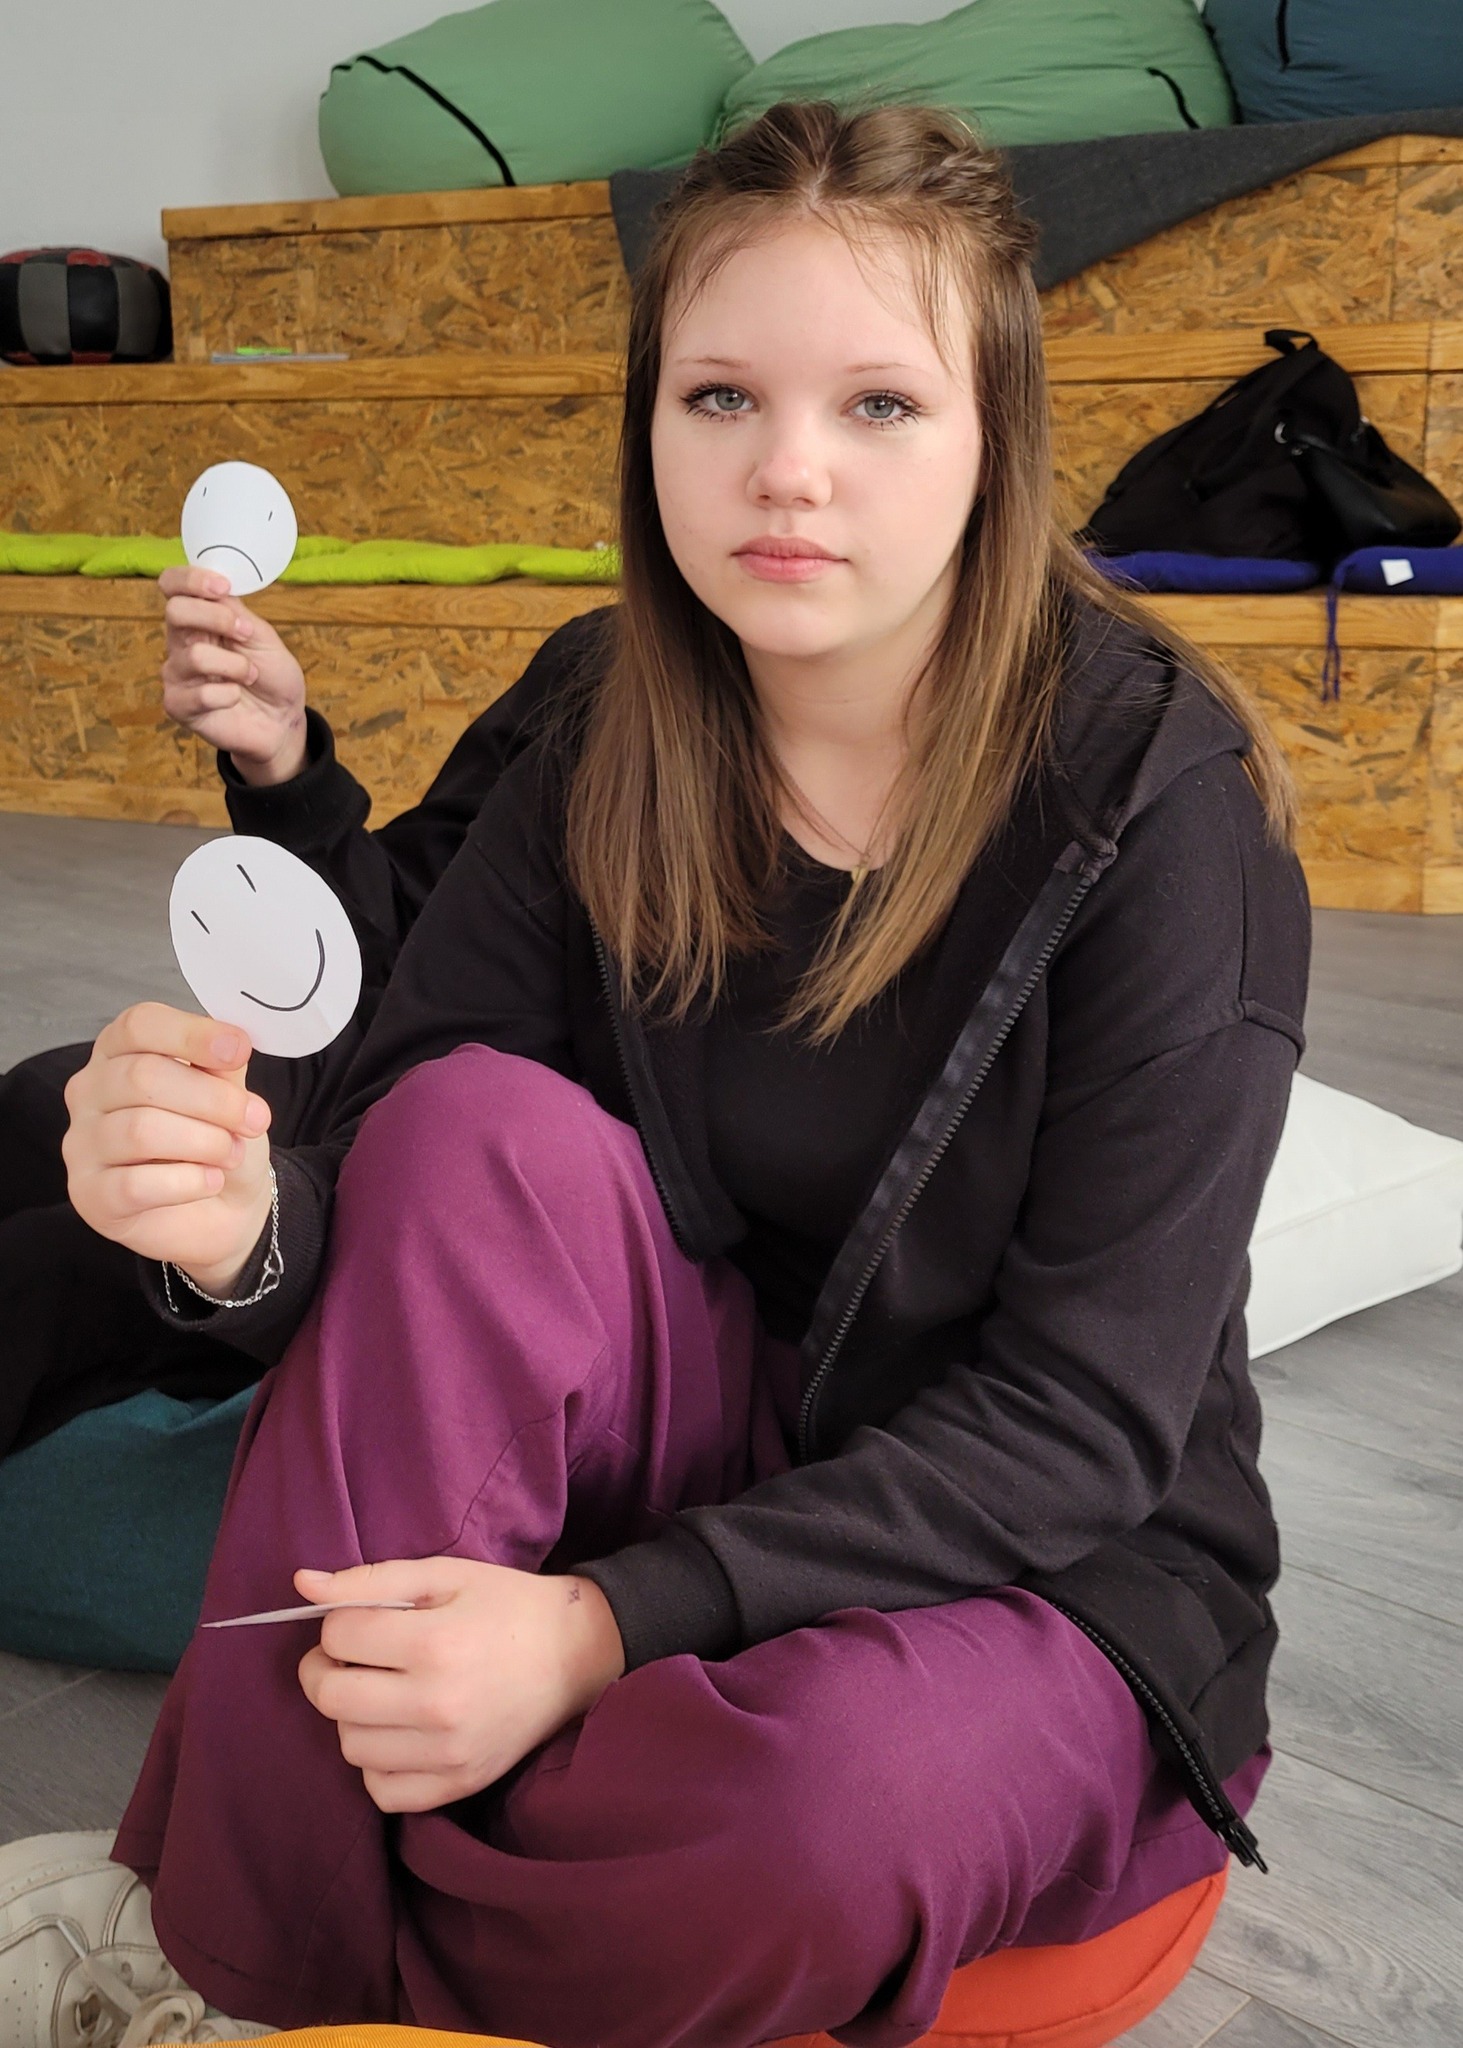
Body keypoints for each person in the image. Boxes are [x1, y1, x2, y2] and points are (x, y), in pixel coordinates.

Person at [9, 98, 1311, 2048]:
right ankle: (228, 1962)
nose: (784, 468)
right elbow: (402, 1140)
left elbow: (1078, 1418)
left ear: (994, 437)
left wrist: (600, 1623)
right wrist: (235, 1231)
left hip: (1038, 1551)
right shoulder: (608, 714)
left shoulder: (1156, 807)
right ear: (649, 427)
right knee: (466, 1128)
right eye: (717, 396)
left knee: (817, 1812)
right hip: (686, 1435)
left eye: (877, 404)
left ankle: (312, 1914)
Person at [0, 557, 583, 1459]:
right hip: (367, 1071)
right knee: (42, 1103)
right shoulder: (592, 668)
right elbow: (403, 918)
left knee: (41, 1284)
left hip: (477, 1188)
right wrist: (283, 763)